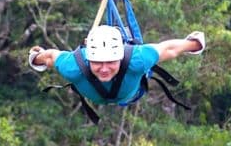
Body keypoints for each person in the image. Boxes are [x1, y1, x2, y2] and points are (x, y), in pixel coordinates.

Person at [28, 25, 205, 106]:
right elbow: (50, 57)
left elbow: (169, 49)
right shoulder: (73, 67)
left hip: (131, 93)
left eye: (111, 62)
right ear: (89, 58)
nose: (104, 69)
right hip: (118, 92)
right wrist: (36, 58)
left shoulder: (137, 60)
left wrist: (194, 44)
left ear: (120, 57)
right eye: (98, 62)